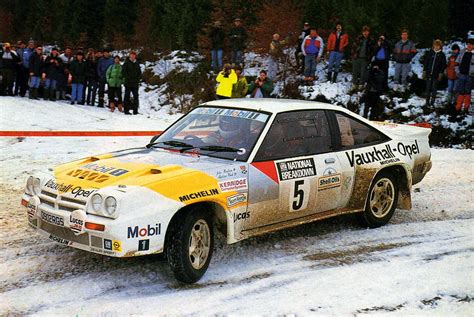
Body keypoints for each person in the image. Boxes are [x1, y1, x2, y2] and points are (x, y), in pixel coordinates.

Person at [422, 39, 446, 107]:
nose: (436, 47)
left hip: (436, 75)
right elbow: (426, 62)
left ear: (440, 46)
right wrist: (424, 71)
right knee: (428, 88)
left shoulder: (442, 55)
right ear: (433, 45)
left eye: (438, 45)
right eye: (435, 45)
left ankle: (432, 103)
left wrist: (441, 73)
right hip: (429, 73)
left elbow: (443, 65)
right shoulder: (430, 53)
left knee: (434, 88)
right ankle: (427, 102)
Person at [454, 39, 474, 113]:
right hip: (461, 74)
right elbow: (456, 62)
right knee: (461, 91)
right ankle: (458, 107)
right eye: (468, 44)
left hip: (470, 76)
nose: (469, 45)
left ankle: (466, 108)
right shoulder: (462, 52)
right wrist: (457, 71)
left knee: (467, 91)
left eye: (471, 44)